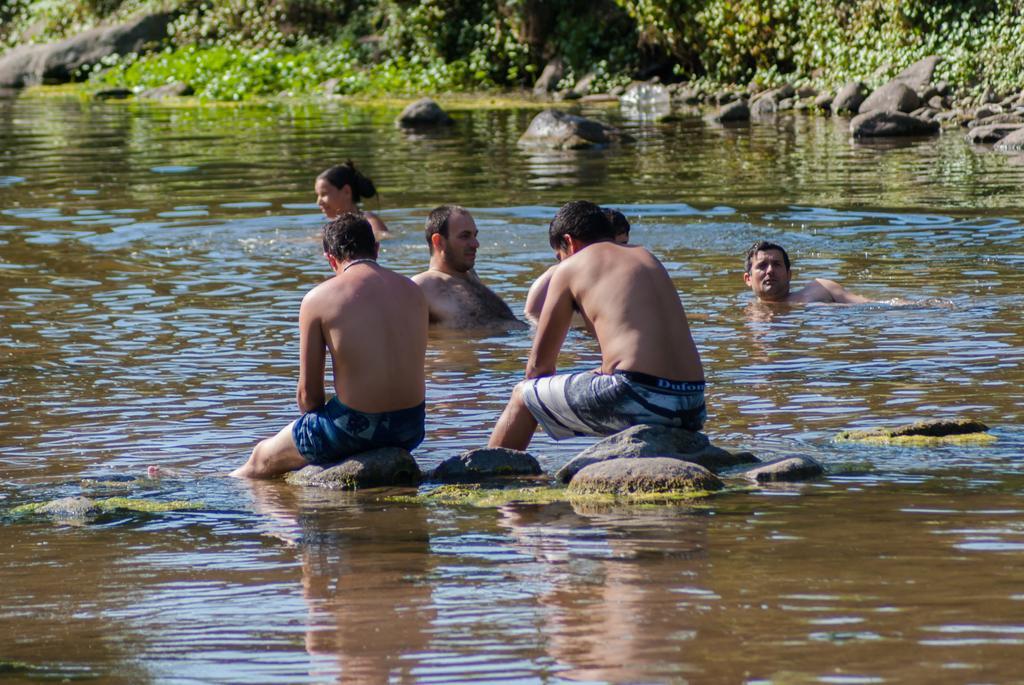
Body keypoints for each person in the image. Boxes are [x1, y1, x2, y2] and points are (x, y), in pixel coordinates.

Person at [488, 201, 706, 451]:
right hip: (693, 404)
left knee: (523, 395)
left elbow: (539, 368)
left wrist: (546, 406)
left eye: (559, 256)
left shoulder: (569, 268)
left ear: (569, 242)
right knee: (600, 378)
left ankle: (489, 474)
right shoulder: (645, 256)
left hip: (641, 398)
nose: (561, 262)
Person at [231, 213, 427, 479]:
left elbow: (309, 396)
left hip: (354, 428)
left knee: (260, 457)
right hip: (411, 427)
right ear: (377, 250)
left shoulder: (318, 298)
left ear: (330, 258)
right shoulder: (413, 289)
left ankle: (220, 487)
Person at [411, 205, 526, 329]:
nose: (476, 244)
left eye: (474, 235)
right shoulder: (423, 286)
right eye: (465, 236)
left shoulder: (470, 276)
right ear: (439, 241)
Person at [524, 207, 630, 323]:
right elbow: (535, 326)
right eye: (608, 246)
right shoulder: (547, 284)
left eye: (623, 244)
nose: (617, 252)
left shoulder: (632, 276)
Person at [744, 240, 871, 303]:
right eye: (762, 266)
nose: (770, 270)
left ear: (789, 275)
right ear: (748, 279)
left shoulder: (821, 288)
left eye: (777, 264)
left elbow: (873, 306)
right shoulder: (745, 317)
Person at [314, 161, 391, 240]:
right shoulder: (329, 228)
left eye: (324, 194)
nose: (318, 202)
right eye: (318, 195)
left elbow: (383, 238)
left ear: (346, 191)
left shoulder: (368, 220)